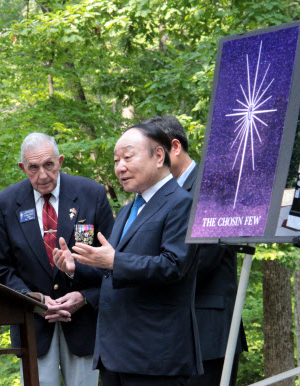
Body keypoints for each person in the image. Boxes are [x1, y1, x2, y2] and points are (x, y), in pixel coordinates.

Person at [54, 122, 202, 385]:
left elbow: (174, 266)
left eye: (128, 157)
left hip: (155, 356)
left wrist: (114, 260)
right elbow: (110, 270)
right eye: (115, 160)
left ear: (158, 156)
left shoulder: (183, 203)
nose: (119, 167)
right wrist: (76, 267)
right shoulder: (126, 211)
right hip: (114, 354)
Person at [0, 132, 115, 386]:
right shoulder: (5, 204)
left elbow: (113, 261)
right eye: (33, 168)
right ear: (23, 168)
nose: (42, 175)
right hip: (32, 323)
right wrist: (34, 299)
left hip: (83, 322)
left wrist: (86, 297)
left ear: (61, 161)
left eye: (49, 165)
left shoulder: (92, 194)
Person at [151, 115, 247, 386]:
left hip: (209, 330)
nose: (151, 160)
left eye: (156, 152)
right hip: (171, 332)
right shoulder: (162, 195)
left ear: (175, 147)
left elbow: (203, 260)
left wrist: (145, 273)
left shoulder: (213, 187)